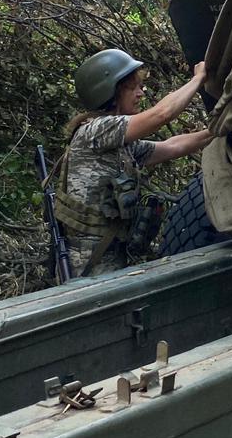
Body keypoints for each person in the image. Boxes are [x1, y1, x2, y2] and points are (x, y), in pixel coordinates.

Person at [55, 49, 213, 276]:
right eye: (133, 87)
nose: (141, 94)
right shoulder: (96, 130)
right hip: (88, 268)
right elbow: (162, 115)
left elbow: (172, 147)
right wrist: (198, 79)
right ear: (111, 92)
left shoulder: (119, 145)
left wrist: (216, 131)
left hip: (108, 259)